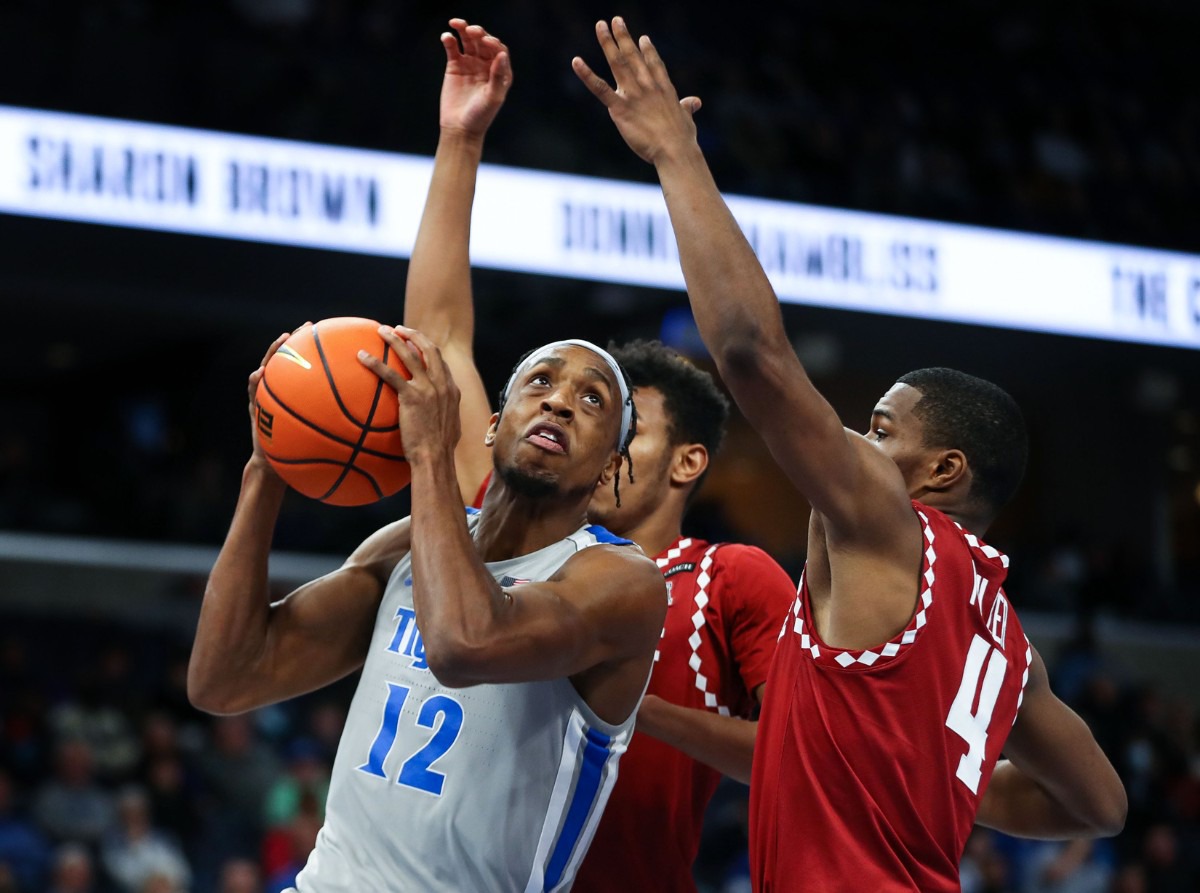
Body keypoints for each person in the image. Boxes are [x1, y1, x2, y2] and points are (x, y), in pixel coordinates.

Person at [573, 17, 1127, 892]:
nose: (858, 445)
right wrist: (940, 783)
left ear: (942, 471)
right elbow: (1101, 805)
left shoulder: (886, 522)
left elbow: (751, 353)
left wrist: (678, 156)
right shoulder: (1011, 650)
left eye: (879, 427)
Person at [400, 20, 798, 891]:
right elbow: (440, 335)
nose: (575, 426)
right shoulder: (508, 513)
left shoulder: (730, 578)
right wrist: (459, 139)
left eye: (613, 417)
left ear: (686, 463)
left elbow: (802, 759)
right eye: (563, 403)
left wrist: (623, 705)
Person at [187, 260, 665, 888]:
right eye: (541, 382)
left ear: (608, 470)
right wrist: (267, 471)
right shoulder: (404, 547)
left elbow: (464, 644)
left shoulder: (619, 582)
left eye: (591, 400)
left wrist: (429, 453)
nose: (559, 401)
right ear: (494, 428)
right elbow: (224, 680)